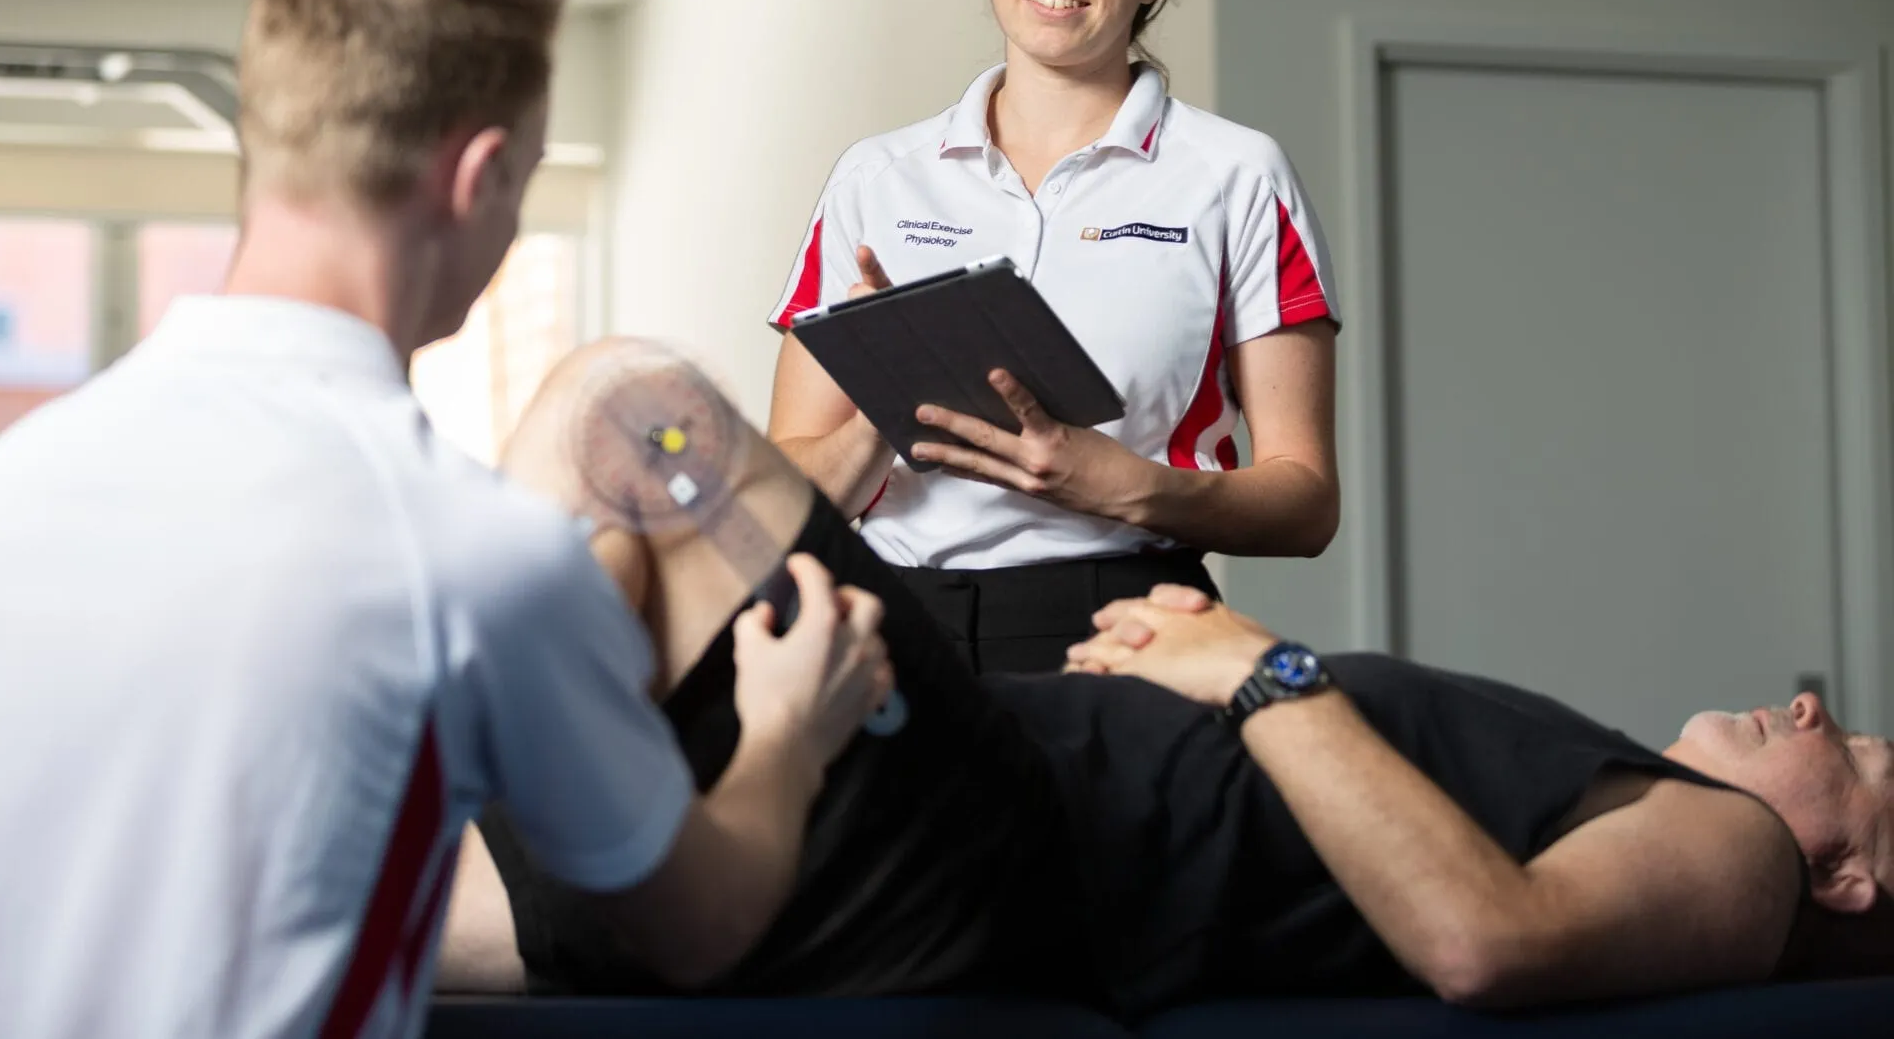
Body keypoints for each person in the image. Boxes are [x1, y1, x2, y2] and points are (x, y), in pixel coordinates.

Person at [0, 0, 891, 1038]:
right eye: (529, 175)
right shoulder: (469, 555)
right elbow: (703, 925)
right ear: (480, 173)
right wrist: (791, 723)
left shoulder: (3, 489)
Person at [451, 340, 1894, 1016]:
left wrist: (1256, 667)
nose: (1825, 709)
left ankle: (479, 731)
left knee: (635, 420)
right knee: (613, 575)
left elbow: (1487, 944)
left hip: (992, 831)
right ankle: (537, 807)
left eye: (1879, 762)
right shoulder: (1656, 805)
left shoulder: (1748, 853)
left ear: (1852, 881)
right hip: (954, 808)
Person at [767, 0, 1340, 674]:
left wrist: (1132, 486)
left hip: (1128, 624)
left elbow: (1306, 503)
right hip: (894, 627)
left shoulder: (1237, 174)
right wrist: (886, 406)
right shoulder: (877, 179)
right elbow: (785, 497)